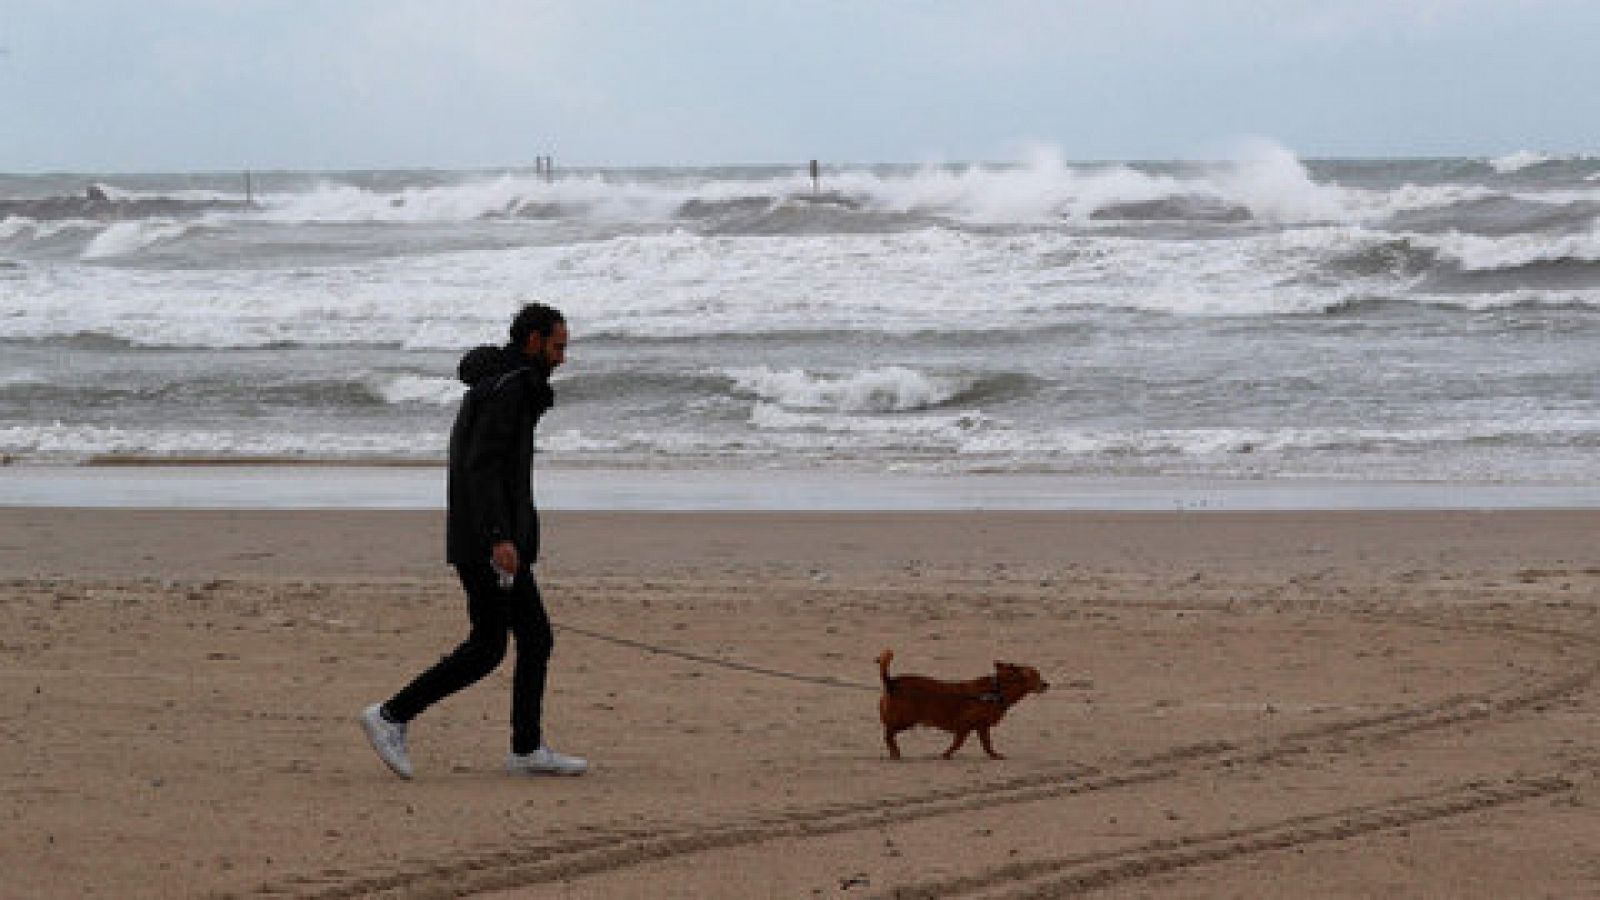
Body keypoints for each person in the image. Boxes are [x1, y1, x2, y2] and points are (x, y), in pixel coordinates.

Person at [360, 303, 586, 779]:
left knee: (533, 639)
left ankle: (526, 749)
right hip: (487, 542)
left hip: (488, 537)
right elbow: (481, 467)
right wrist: (499, 537)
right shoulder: (509, 390)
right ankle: (391, 716)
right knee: (489, 646)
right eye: (558, 346)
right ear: (533, 341)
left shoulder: (508, 383)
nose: (563, 357)